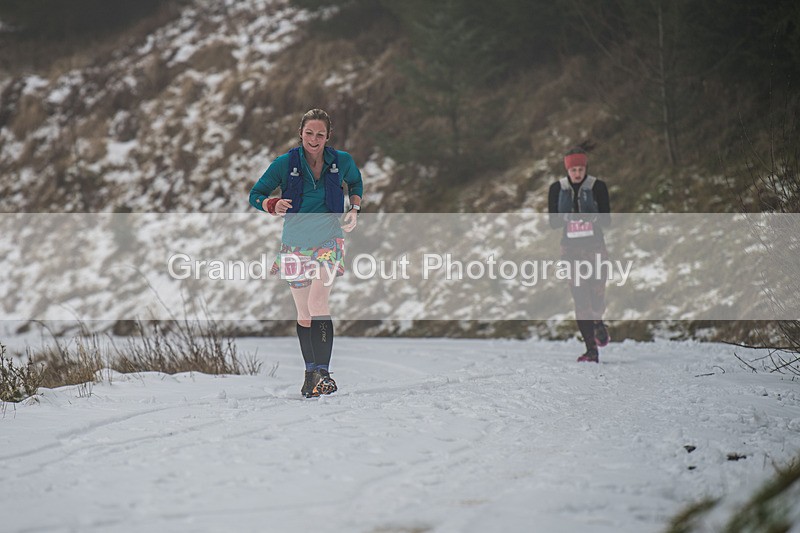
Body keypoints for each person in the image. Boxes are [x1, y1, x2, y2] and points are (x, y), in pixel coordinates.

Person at [249, 109, 363, 397]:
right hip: (294, 244)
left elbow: (356, 183)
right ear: (301, 133)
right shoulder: (284, 164)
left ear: (328, 136)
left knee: (317, 302)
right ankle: (310, 373)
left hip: (328, 240)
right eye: (309, 133)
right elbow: (256, 195)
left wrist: (355, 208)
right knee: (304, 313)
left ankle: (323, 372)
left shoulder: (341, 162)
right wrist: (272, 205)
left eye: (320, 134)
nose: (314, 139)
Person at [548, 147, 611, 363]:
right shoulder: (557, 188)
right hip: (571, 250)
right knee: (579, 297)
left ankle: (598, 322)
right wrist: (566, 215)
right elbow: (553, 223)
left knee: (597, 294)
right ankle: (591, 349)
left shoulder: (597, 187)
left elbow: (608, 220)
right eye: (573, 169)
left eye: (581, 169)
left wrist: (592, 215)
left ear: (586, 168)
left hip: (595, 248)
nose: (577, 173)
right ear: (567, 170)